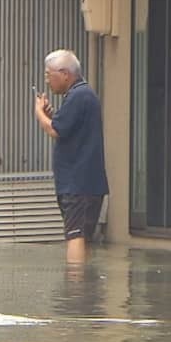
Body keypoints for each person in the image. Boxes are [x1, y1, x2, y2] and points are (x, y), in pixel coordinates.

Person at [34, 49, 109, 264]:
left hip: (78, 184)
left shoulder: (78, 95)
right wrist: (51, 116)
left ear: (65, 74)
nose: (47, 80)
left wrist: (39, 113)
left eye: (49, 75)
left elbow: (55, 130)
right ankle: (84, 286)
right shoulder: (83, 95)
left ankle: (75, 289)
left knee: (75, 235)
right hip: (88, 183)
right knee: (83, 237)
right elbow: (66, 127)